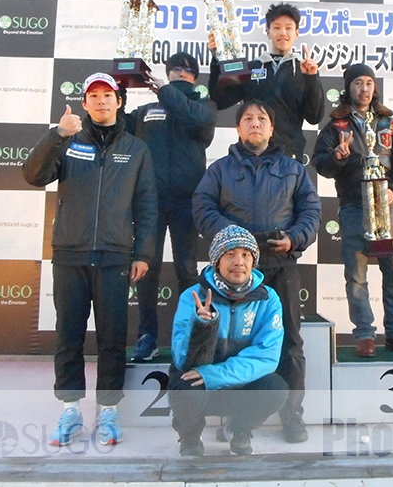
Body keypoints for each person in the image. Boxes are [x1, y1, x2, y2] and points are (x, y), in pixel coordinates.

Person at [23, 72, 158, 446]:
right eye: (93, 96)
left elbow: (147, 205)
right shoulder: (68, 141)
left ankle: (109, 412)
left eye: (107, 95)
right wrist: (57, 134)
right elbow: (33, 175)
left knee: (113, 338)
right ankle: (70, 412)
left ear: (119, 102)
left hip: (115, 256)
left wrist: (143, 253)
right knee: (69, 336)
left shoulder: (136, 149)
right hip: (71, 253)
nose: (101, 101)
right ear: (84, 103)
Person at [192, 99, 321, 444]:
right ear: (237, 128)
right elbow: (202, 207)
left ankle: (292, 414)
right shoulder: (219, 170)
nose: (255, 123)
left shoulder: (293, 169)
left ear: (272, 128)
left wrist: (294, 238)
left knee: (289, 342)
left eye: (261, 118)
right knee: (233, 342)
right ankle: (236, 418)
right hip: (235, 269)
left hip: (281, 265)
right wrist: (234, 239)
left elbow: (311, 210)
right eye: (247, 118)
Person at [313, 63, 393, 358]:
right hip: (353, 206)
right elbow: (320, 163)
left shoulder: (391, 126)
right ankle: (364, 334)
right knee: (356, 276)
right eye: (358, 83)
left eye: (369, 83)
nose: (364, 88)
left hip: (387, 207)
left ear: (375, 87)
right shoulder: (336, 127)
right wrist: (337, 157)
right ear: (348, 88)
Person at [126, 51, 217, 362]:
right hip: (149, 202)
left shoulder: (203, 107)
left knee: (186, 269)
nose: (179, 73)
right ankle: (147, 336)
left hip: (187, 201)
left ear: (194, 77)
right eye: (174, 69)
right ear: (166, 72)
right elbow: (116, 125)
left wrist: (166, 91)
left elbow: (197, 121)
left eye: (186, 70)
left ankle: (191, 333)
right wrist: (119, 86)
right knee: (145, 267)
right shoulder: (146, 110)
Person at [169, 225, 289, 457]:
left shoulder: (268, 299)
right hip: (201, 385)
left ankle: (239, 429)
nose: (239, 262)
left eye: (245, 255)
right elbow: (182, 359)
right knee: (184, 387)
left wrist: (214, 375)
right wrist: (202, 326)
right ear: (217, 261)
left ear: (253, 261)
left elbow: (266, 357)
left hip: (236, 383)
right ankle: (190, 434)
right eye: (230, 254)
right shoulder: (192, 296)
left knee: (276, 389)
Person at [208, 2, 324, 162]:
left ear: (296, 33)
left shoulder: (305, 70)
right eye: (277, 28)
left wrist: (312, 78)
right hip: (252, 154)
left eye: (288, 28)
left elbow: (315, 117)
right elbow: (219, 100)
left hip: (288, 157)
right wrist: (217, 59)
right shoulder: (250, 67)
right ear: (268, 32)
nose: (282, 33)